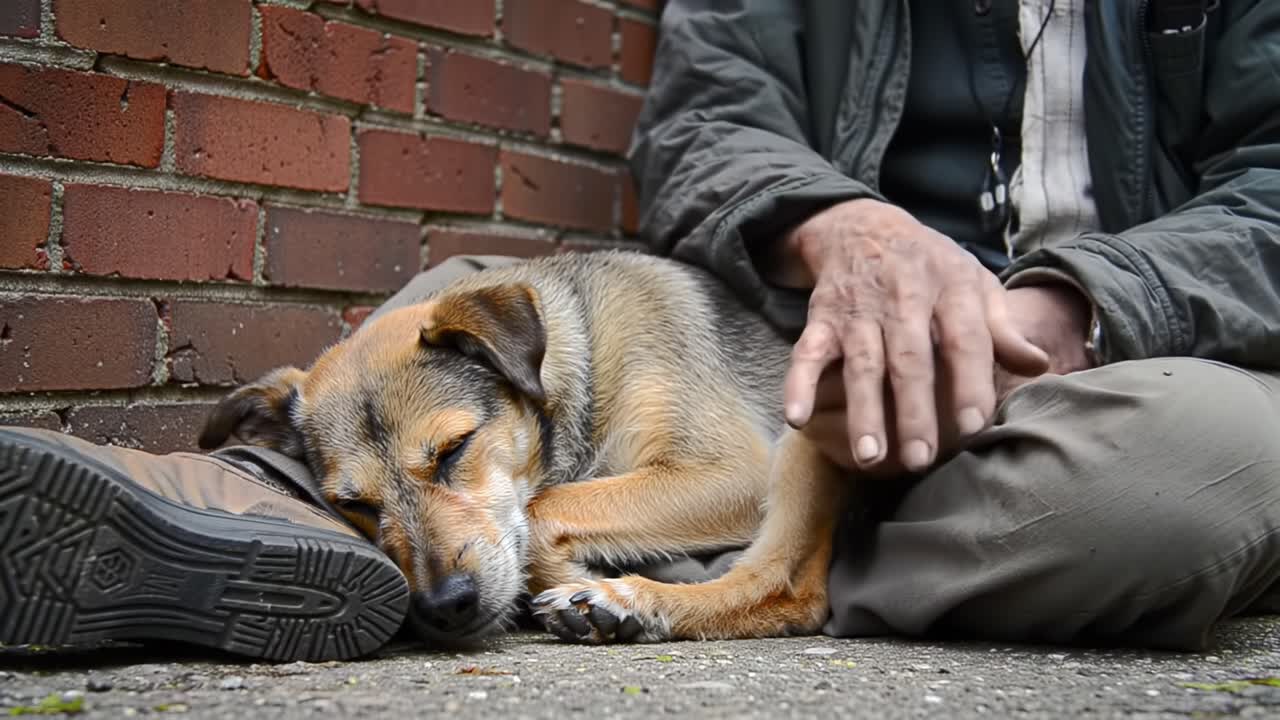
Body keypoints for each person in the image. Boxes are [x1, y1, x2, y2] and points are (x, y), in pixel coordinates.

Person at [3, 0, 1278, 657]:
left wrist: (1076, 303)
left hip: (1106, 363)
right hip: (801, 324)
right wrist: (839, 227)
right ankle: (260, 507)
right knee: (437, 308)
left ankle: (749, 571)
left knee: (1165, 488)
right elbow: (702, 121)